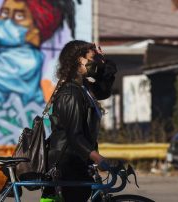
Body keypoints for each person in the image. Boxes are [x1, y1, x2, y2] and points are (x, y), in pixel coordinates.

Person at [0, 0, 77, 106]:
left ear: (36, 31)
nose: (7, 20)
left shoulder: (26, 61)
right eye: (4, 13)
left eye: (19, 16)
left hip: (14, 125)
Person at [42, 40, 117, 202]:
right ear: (78, 60)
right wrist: (98, 158)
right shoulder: (70, 93)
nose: (94, 61)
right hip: (66, 166)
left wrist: (105, 65)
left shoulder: (83, 88)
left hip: (78, 161)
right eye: (92, 58)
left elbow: (104, 90)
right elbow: (74, 136)